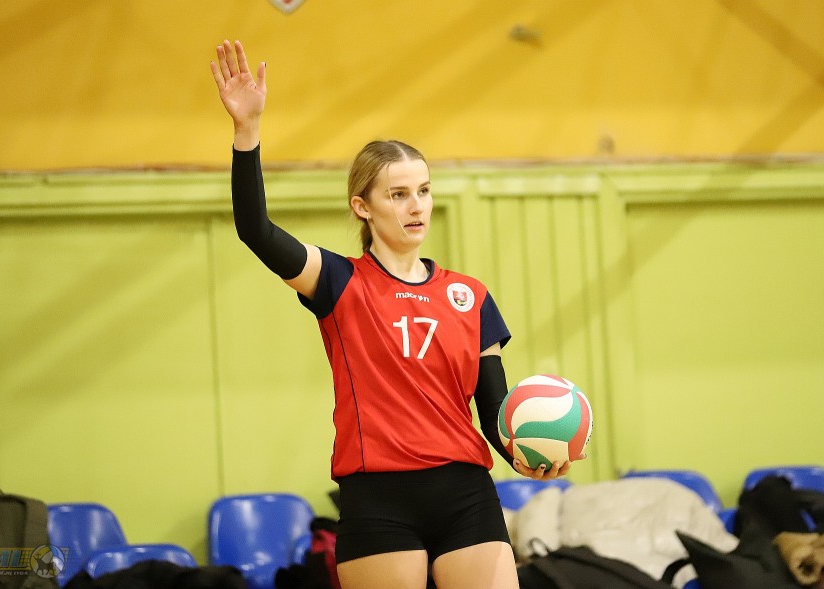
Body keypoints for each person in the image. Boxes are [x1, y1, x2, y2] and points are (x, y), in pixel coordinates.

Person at [209, 40, 583, 589]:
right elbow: (255, 230)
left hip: (465, 493)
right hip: (378, 498)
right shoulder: (338, 281)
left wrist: (523, 455)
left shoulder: (470, 296)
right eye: (399, 194)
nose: (416, 206)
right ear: (363, 207)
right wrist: (248, 130)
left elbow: (493, 410)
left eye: (424, 191)